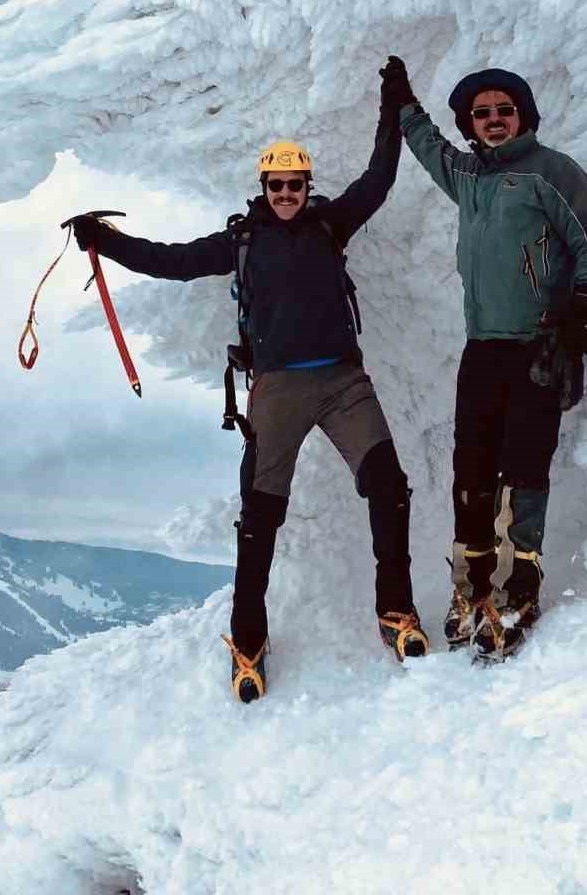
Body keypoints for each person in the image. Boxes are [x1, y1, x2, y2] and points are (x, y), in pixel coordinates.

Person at [70, 76, 428, 703]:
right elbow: (170, 259)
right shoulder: (240, 243)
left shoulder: (330, 225)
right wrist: (105, 241)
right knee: (260, 521)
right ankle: (247, 639)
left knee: (389, 490)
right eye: (276, 185)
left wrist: (391, 106)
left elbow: (378, 178)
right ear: (262, 188)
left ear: (306, 185)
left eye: (295, 184)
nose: (287, 194)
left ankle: (396, 611)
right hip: (279, 390)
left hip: (345, 382)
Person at [380, 56, 587, 660]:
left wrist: (583, 306)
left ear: (523, 117)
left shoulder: (552, 172)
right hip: (482, 349)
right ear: (470, 122)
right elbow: (429, 147)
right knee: (473, 472)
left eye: (503, 111)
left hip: (538, 348)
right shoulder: (470, 178)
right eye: (481, 114)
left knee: (525, 471)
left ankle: (522, 587)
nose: (493, 120)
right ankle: (471, 589)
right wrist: (405, 101)